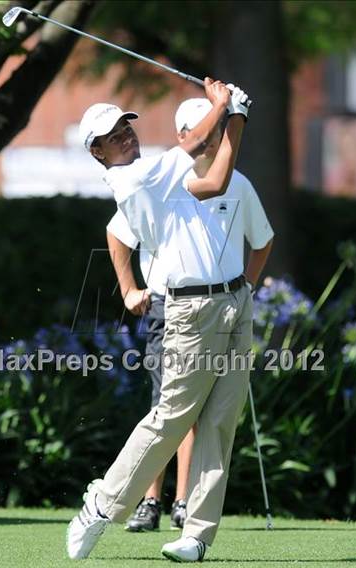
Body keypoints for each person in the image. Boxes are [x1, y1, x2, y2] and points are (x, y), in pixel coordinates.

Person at [67, 78, 252, 563]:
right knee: (173, 416)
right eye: (113, 136)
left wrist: (237, 120)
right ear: (97, 153)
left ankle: (196, 534)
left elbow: (215, 181)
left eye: (126, 127)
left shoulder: (157, 171)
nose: (126, 136)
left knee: (220, 421)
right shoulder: (132, 180)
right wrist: (220, 105)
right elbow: (195, 142)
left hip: (235, 300)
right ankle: (102, 504)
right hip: (191, 310)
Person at [105, 96, 274, 533]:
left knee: (201, 410)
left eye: (215, 132)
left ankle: (182, 502)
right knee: (172, 407)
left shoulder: (228, 182)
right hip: (170, 305)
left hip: (220, 306)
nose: (210, 138)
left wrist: (245, 289)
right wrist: (128, 290)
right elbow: (117, 232)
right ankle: (145, 501)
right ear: (183, 137)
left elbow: (257, 233)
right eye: (203, 132)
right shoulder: (158, 178)